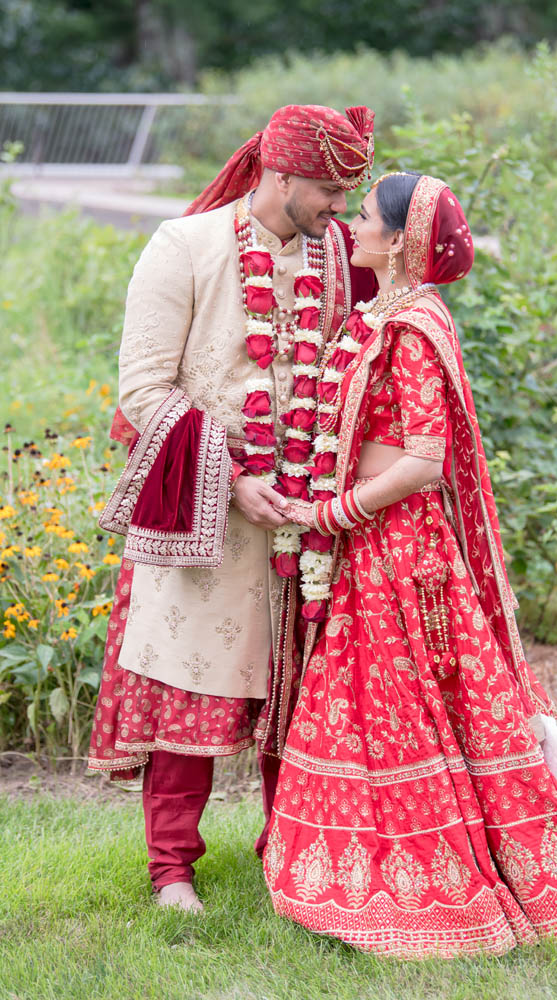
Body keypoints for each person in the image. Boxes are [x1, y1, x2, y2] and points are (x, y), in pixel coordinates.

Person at [262, 172, 557, 957]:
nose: (350, 226)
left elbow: (424, 461)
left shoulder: (412, 327)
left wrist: (332, 511)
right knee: (372, 701)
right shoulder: (381, 313)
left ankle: (434, 884)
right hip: (376, 543)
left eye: (363, 216)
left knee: (405, 702)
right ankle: (364, 866)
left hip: (400, 550)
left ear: (398, 240)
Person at [87, 105, 376, 912]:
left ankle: (290, 854)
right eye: (327, 190)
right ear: (279, 174)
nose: (339, 210)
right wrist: (230, 477)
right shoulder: (185, 247)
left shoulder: (340, 254)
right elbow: (144, 389)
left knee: (305, 692)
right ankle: (171, 871)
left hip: (307, 521)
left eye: (349, 196)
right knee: (192, 684)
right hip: (204, 514)